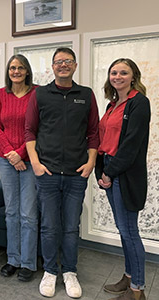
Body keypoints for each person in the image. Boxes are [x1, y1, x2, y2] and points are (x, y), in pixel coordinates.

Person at [25, 47, 99, 299]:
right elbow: (29, 131)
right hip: (47, 172)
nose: (63, 65)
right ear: (52, 67)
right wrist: (35, 162)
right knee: (48, 226)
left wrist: (90, 164)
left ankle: (69, 272)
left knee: (70, 226)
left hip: (76, 174)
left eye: (68, 61)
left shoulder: (86, 95)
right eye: (59, 62)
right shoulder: (40, 94)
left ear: (75, 66)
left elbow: (93, 133)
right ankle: (49, 271)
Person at [95, 58, 150, 300]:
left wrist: (109, 172)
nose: (117, 76)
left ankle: (137, 290)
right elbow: (103, 140)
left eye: (123, 73)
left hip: (124, 173)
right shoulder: (113, 105)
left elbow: (131, 146)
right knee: (123, 229)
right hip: (109, 168)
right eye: (114, 72)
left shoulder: (139, 103)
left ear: (133, 76)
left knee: (129, 231)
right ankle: (128, 277)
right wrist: (101, 171)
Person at [0, 54, 38, 282]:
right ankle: (13, 259)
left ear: (27, 71)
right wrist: (11, 155)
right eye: (12, 68)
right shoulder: (1, 94)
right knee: (11, 212)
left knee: (27, 214)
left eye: (20, 68)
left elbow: (39, 127)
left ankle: (28, 263)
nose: (16, 71)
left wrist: (20, 153)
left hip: (30, 160)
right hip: (6, 161)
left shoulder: (37, 93)